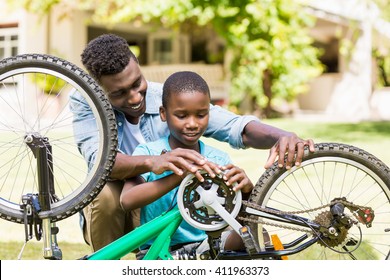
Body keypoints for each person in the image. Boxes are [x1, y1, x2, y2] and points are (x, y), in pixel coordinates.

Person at [71, 33, 315, 252]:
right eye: (119, 93)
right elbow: (101, 163)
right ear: (98, 89)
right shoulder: (86, 103)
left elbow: (235, 127)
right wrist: (154, 162)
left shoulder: (168, 97)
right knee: (105, 195)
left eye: (137, 84)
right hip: (129, 201)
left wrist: (283, 137)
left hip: (178, 216)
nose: (135, 97)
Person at [120, 71, 254, 257]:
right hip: (158, 250)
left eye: (201, 115)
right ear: (163, 114)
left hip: (207, 246)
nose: (192, 124)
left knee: (256, 236)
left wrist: (247, 191)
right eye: (181, 116)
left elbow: (237, 218)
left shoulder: (219, 159)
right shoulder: (149, 152)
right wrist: (180, 176)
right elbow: (127, 200)